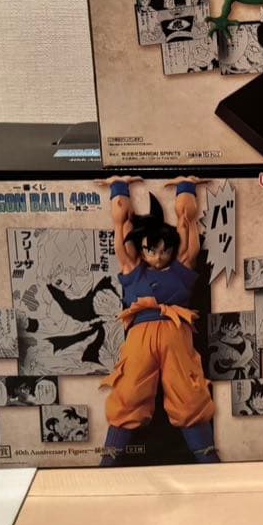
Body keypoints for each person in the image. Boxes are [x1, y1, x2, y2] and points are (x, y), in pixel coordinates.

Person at [96, 176, 218, 465]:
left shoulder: (180, 270)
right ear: (142, 249)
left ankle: (208, 460)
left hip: (176, 333)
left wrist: (186, 187)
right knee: (128, 394)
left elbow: (187, 227)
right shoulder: (134, 271)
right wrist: (118, 188)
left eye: (164, 250)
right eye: (151, 250)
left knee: (189, 394)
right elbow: (121, 228)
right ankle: (107, 464)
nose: (158, 256)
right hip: (141, 337)